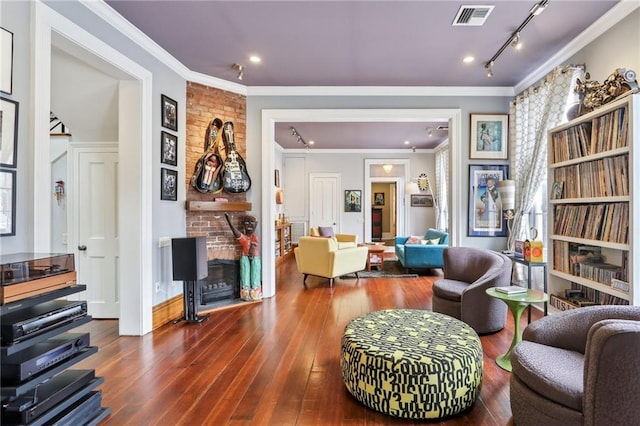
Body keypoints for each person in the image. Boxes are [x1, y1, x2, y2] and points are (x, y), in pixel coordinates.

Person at [224, 212, 261, 300]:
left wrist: (252, 249)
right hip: (245, 256)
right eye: (247, 222)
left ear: (256, 225)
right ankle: (245, 289)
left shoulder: (255, 237)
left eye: (252, 223)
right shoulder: (243, 238)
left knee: (255, 272)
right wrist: (229, 221)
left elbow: (253, 246)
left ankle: (255, 289)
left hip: (255, 257)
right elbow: (235, 232)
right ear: (244, 224)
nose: (249, 225)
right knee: (245, 271)